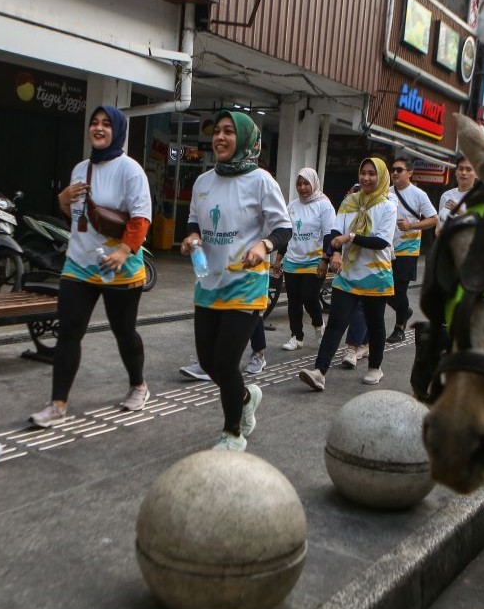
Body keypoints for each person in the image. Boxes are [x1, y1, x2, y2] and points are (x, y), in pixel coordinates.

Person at [28, 106, 152, 426]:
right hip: (80, 263)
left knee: (124, 333)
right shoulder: (80, 168)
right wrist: (62, 200)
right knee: (69, 333)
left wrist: (124, 252)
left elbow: (141, 219)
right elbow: (77, 217)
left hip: (119, 267)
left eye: (106, 124)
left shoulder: (130, 170)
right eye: (94, 124)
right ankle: (58, 404)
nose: (98, 129)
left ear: (118, 131)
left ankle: (138, 384)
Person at [181, 110, 291, 451]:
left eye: (229, 131)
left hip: (246, 283)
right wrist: (192, 239)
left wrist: (264, 244)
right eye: (217, 131)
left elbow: (284, 228)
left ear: (243, 139)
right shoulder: (203, 182)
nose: (221, 137)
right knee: (209, 361)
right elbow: (193, 222)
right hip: (209, 280)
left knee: (227, 361)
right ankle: (245, 396)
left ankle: (233, 432)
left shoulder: (261, 181)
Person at [299, 157, 396, 390]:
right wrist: (333, 252)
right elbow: (335, 230)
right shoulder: (349, 202)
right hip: (348, 274)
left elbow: (381, 242)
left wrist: (349, 238)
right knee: (336, 323)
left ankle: (375, 367)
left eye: (372, 174)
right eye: (363, 172)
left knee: (374, 324)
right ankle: (319, 372)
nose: (366, 178)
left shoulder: (388, 206)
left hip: (375, 274)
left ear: (381, 177)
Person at [275, 168, 336, 351]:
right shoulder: (292, 206)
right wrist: (278, 259)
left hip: (314, 260)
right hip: (293, 260)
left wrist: (325, 259)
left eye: (306, 183)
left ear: (314, 184)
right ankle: (296, 336)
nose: (302, 188)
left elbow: (328, 234)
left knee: (309, 297)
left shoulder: (324, 205)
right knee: (294, 301)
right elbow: (286, 234)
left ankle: (318, 325)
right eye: (299, 184)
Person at [386, 158, 437, 344]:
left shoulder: (419, 194)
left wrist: (411, 225)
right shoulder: (386, 192)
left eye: (399, 170)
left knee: (399, 290)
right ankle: (405, 311)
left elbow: (433, 219)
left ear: (410, 173)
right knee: (384, 290)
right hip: (387, 248)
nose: (395, 173)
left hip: (408, 249)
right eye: (393, 169)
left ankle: (399, 327)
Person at [436, 154, 477, 230]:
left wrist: (460, 212)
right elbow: (439, 226)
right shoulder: (446, 196)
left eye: (468, 170)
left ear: (476, 174)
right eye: (461, 169)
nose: (464, 173)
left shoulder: (480, 196)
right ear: (456, 172)